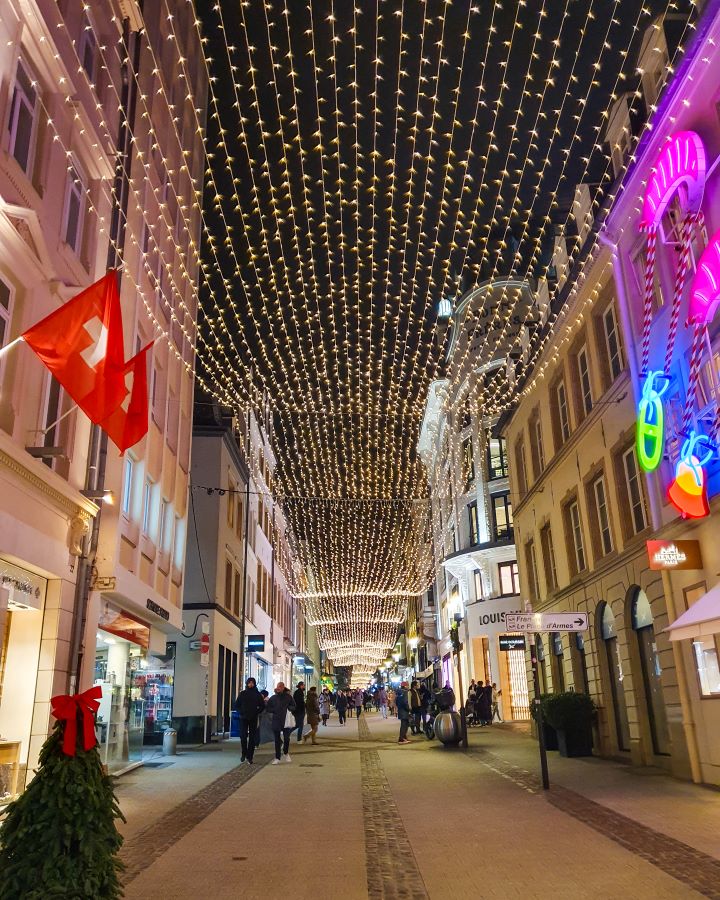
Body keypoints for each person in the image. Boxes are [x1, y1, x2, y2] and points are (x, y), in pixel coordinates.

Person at [233, 677, 265, 765]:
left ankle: (250, 756)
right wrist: (241, 712)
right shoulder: (242, 693)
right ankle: (244, 753)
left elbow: (262, 706)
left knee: (252, 738)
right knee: (243, 736)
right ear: (247, 683)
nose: (251, 684)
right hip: (243, 718)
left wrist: (257, 712)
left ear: (254, 684)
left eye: (252, 683)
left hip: (253, 718)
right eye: (249, 683)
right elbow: (236, 705)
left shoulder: (257, 694)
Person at [265, 682, 296, 764]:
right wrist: (274, 710)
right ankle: (277, 757)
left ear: (283, 687)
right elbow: (268, 708)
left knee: (286, 738)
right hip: (276, 720)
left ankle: (286, 752)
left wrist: (289, 708)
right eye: (277, 686)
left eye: (280, 686)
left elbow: (294, 706)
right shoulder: (273, 698)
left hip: (286, 721)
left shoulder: (288, 697)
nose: (278, 688)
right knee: (277, 740)